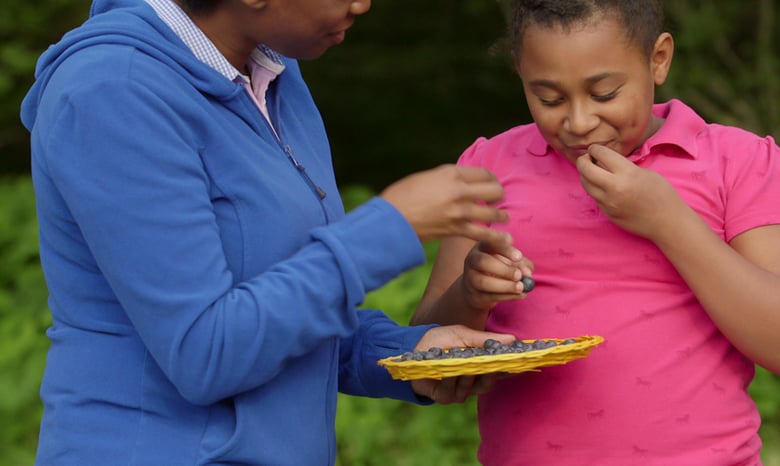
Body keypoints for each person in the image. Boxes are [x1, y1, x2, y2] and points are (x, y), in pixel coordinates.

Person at [19, 0, 523, 464]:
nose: (362, 3)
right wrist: (392, 225)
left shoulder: (271, 71)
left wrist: (403, 353)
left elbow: (274, 305)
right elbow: (206, 351)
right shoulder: (113, 91)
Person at [410, 0, 780, 464]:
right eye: (548, 98)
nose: (579, 122)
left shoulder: (739, 163)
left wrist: (668, 221)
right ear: (520, 70)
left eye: (605, 93)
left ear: (659, 59)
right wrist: (471, 293)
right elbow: (424, 360)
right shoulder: (488, 169)